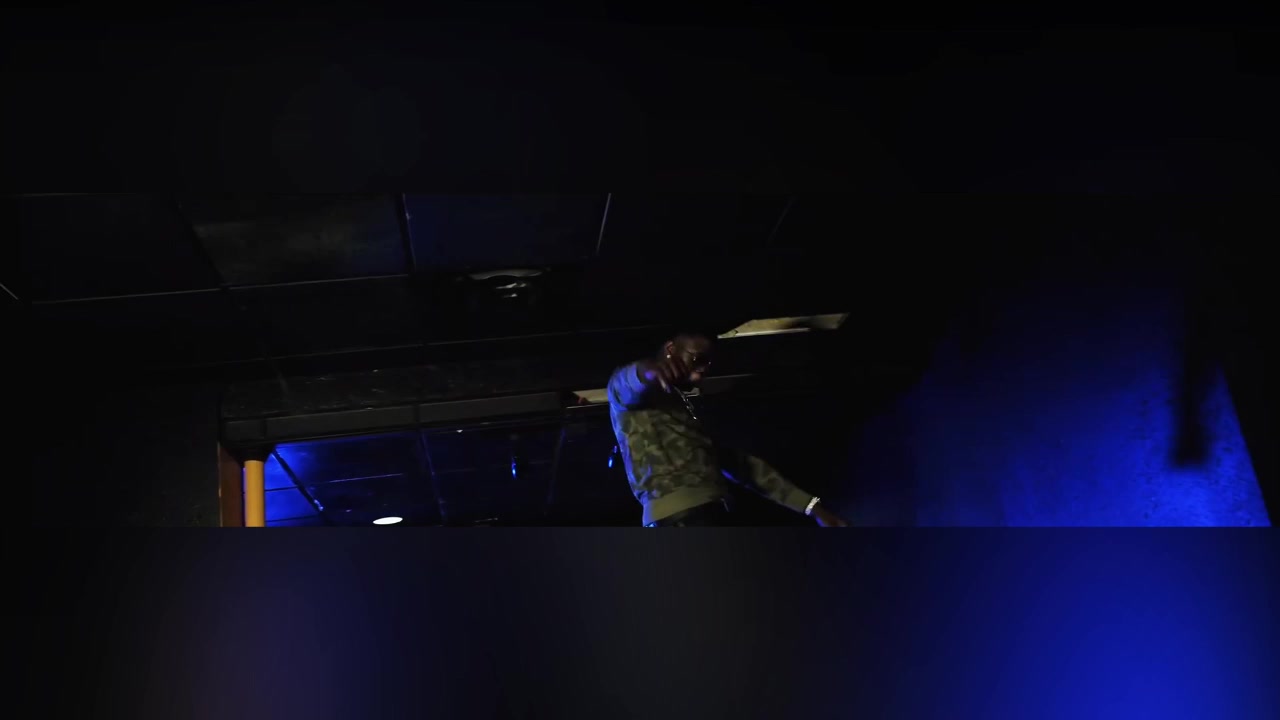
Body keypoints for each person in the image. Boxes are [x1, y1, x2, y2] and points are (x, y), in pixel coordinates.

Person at [607, 331, 849, 527]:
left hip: (711, 511)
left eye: (707, 364)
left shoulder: (681, 409)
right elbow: (627, 381)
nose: (701, 372)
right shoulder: (635, 398)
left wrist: (811, 507)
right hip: (682, 517)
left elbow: (742, 466)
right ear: (671, 349)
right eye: (697, 359)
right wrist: (649, 370)